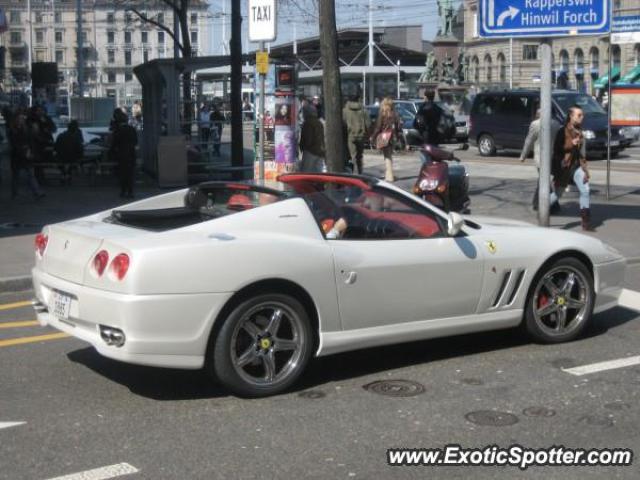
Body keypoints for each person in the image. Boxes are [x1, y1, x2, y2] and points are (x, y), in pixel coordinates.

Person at [552, 105, 593, 231]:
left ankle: (585, 222)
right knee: (557, 195)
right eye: (579, 115)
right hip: (565, 167)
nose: (582, 117)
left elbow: (582, 154)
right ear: (571, 116)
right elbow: (557, 149)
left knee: (585, 191)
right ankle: (542, 211)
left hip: (577, 168)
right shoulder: (562, 131)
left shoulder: (579, 131)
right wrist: (571, 144)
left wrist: (585, 171)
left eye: (582, 115)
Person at [519, 109, 561, 211]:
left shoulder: (535, 124)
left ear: (539, 115)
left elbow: (529, 140)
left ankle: (549, 205)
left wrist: (523, 156)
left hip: (541, 158)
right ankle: (538, 203)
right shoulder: (556, 124)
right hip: (553, 157)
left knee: (543, 181)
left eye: (537, 114)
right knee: (543, 180)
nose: (536, 115)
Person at [9, 111, 45, 200]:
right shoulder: (13, 130)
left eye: (22, 118)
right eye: (20, 118)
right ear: (16, 120)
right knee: (16, 176)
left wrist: (30, 151)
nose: (22, 120)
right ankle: (15, 193)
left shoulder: (26, 129)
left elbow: (30, 141)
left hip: (25, 155)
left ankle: (36, 192)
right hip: (17, 156)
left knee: (30, 175)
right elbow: (14, 143)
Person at [370, 97, 403, 182]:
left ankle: (389, 176)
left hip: (384, 136)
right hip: (393, 136)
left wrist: (373, 137)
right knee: (389, 155)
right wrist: (399, 137)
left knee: (387, 156)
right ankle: (389, 174)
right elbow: (399, 127)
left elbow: (378, 127)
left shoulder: (383, 113)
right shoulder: (395, 114)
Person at [110, 109, 138, 198]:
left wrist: (112, 151)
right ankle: (130, 191)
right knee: (130, 173)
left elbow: (114, 143)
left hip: (121, 154)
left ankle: (123, 191)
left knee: (122, 173)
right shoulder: (132, 129)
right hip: (131, 154)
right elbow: (135, 141)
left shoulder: (118, 131)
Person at [342, 93, 371, 174]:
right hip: (361, 135)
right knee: (360, 156)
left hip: (350, 135)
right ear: (358, 99)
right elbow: (368, 124)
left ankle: (354, 173)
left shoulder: (345, 110)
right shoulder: (363, 110)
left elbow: (343, 123)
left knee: (352, 156)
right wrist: (368, 135)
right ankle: (360, 172)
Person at [54, 120, 84, 185]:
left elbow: (55, 148)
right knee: (72, 158)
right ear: (76, 128)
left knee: (65, 159)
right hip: (72, 158)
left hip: (60, 158)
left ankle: (64, 174)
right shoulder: (76, 138)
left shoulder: (60, 136)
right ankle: (67, 174)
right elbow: (79, 150)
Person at [298, 105, 325, 172]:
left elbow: (308, 139)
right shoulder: (319, 123)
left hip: (310, 151)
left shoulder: (307, 123)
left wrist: (302, 146)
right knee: (318, 172)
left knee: (306, 172)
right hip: (320, 151)